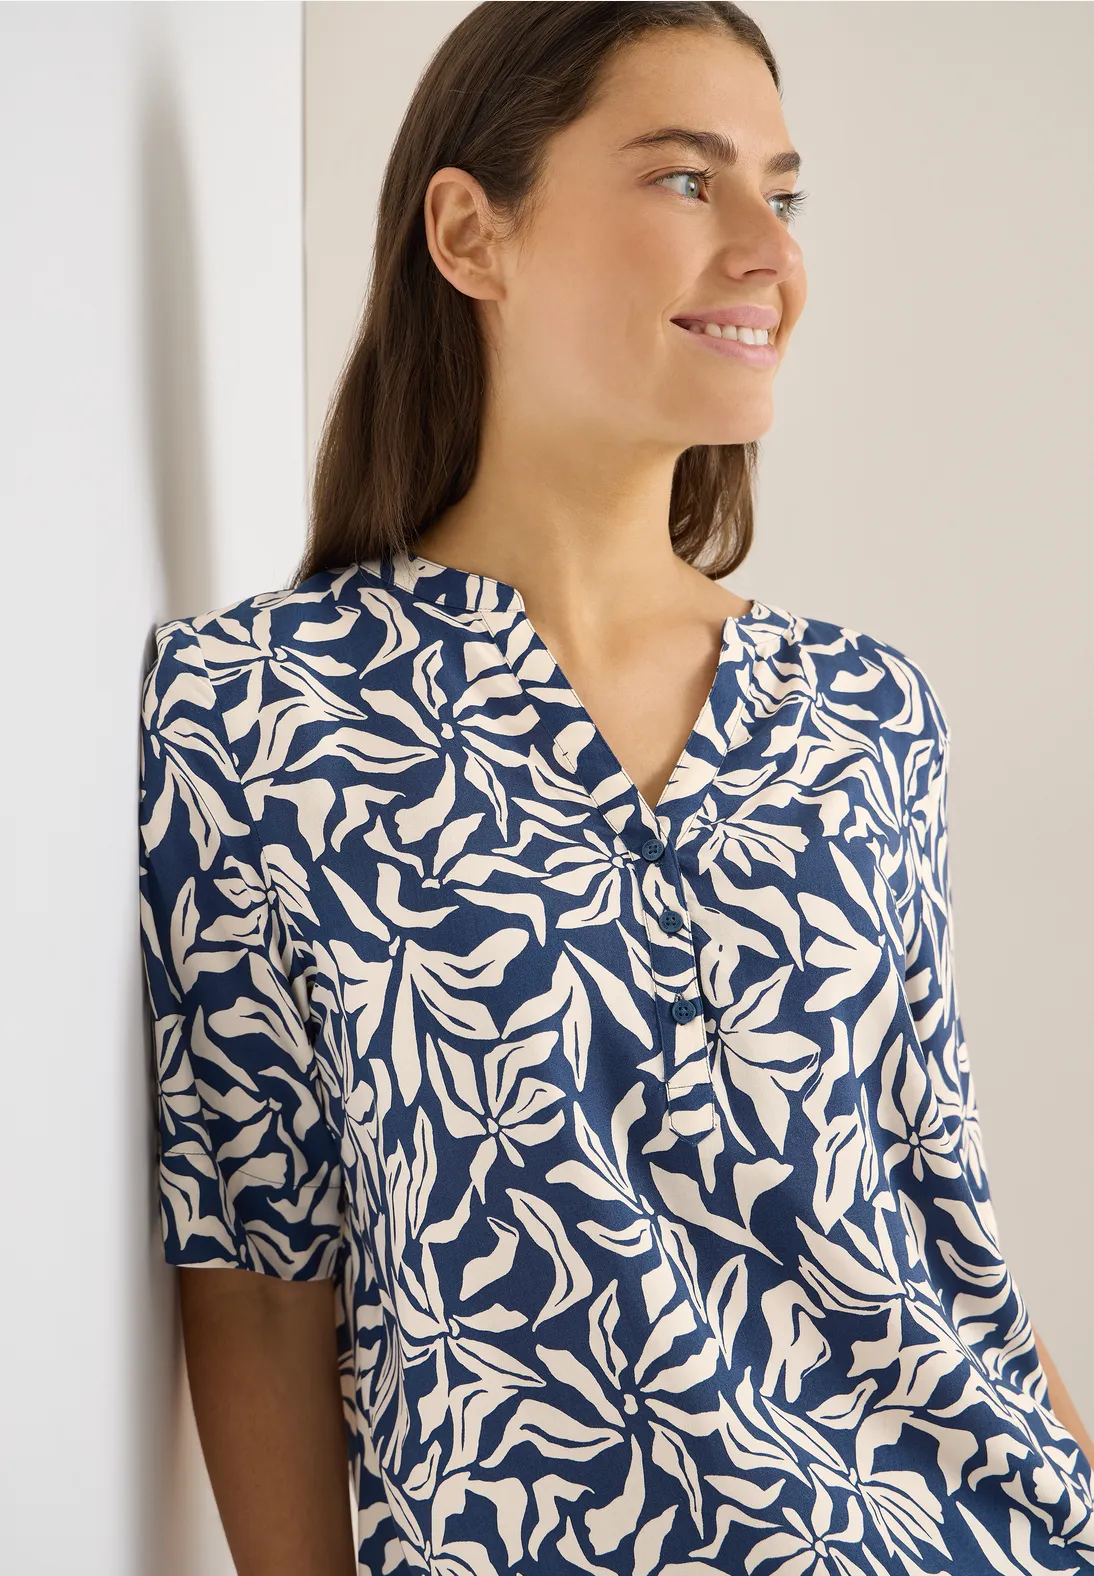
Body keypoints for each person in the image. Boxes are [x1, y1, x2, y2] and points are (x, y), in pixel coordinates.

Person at [137, 4, 1093, 1573]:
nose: (768, 252)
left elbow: (938, 1214)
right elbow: (253, 1274)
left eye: (781, 194)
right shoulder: (257, 713)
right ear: (471, 234)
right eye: (684, 179)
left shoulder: (864, 714)